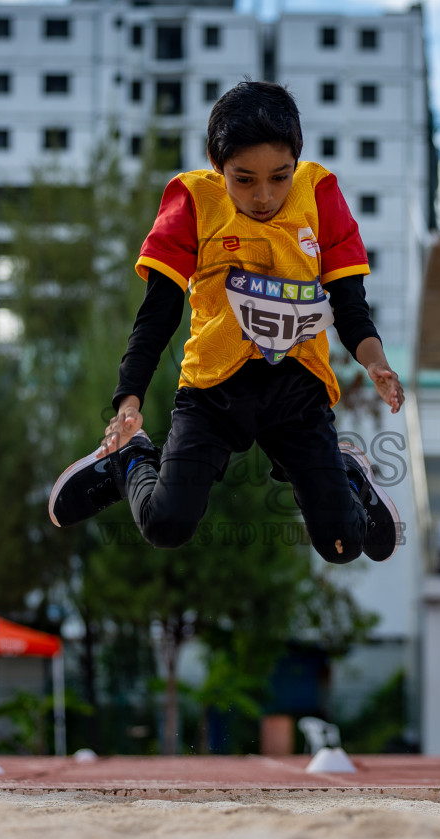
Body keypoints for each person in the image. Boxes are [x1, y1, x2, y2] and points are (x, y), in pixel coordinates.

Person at [47, 81, 400, 566]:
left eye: (279, 177)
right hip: (214, 390)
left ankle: (348, 475)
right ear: (218, 167)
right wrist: (128, 398)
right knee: (166, 524)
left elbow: (350, 304)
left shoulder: (319, 194)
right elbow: (158, 314)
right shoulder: (192, 201)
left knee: (342, 543)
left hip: (297, 390)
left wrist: (376, 362)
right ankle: (130, 460)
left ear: (296, 161)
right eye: (245, 179)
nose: (264, 195)